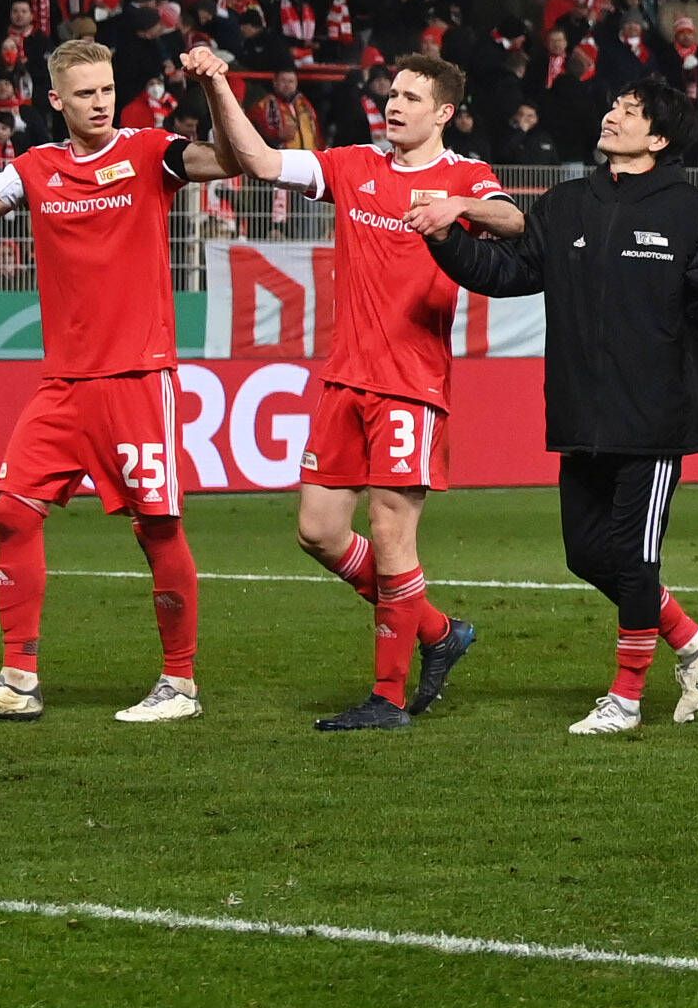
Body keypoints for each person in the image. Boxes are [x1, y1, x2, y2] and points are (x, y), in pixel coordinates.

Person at [409, 78, 698, 734]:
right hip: (580, 414)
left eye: (630, 110)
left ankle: (624, 698)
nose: (612, 114)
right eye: (615, 105)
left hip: (655, 417)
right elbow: (505, 274)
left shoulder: (689, 210)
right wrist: (445, 234)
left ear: (660, 137)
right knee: (587, 555)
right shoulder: (564, 205)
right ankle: (696, 642)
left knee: (636, 557)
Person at [200, 48, 503, 731]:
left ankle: (387, 699)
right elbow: (263, 163)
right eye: (391, 93)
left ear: (444, 113)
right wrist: (220, 85)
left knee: (393, 537)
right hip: (344, 380)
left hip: (410, 385)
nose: (393, 105)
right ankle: (436, 630)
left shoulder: (466, 176)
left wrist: (459, 206)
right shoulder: (353, 165)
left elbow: (516, 223)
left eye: (411, 98)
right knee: (317, 531)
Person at [0, 38, 239, 725]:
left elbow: (232, 161)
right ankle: (17, 679)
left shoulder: (149, 152)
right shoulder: (36, 168)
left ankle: (180, 683)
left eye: (107, 88)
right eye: (85, 92)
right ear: (55, 100)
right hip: (63, 385)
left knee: (157, 528)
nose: (100, 101)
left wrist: (212, 88)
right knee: (10, 512)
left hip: (137, 378)